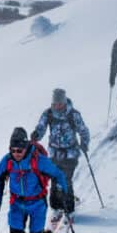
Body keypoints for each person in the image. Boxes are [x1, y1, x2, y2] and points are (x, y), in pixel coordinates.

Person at [31, 88, 89, 222]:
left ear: (64, 102)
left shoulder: (73, 114)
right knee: (55, 180)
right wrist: (36, 135)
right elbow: (41, 127)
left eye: (59, 103)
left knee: (65, 181)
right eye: (55, 103)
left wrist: (84, 143)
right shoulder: (48, 114)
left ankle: (69, 210)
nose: (57, 106)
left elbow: (83, 130)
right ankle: (56, 208)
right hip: (54, 153)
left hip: (70, 153)